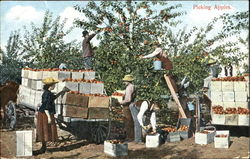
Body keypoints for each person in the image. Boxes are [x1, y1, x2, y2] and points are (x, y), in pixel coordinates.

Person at [36, 77, 70, 153]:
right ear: (50, 86)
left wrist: (62, 91)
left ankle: (44, 148)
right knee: (46, 130)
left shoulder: (48, 93)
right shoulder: (47, 94)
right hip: (45, 114)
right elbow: (46, 106)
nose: (54, 86)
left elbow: (54, 97)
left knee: (46, 130)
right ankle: (45, 148)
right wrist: (49, 117)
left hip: (45, 113)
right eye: (54, 85)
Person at [118, 74, 136, 142]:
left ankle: (130, 138)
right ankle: (131, 136)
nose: (124, 82)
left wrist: (120, 102)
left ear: (128, 81)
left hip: (127, 106)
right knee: (130, 121)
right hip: (131, 105)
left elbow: (128, 99)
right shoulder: (132, 86)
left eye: (125, 81)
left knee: (128, 122)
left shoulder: (129, 88)